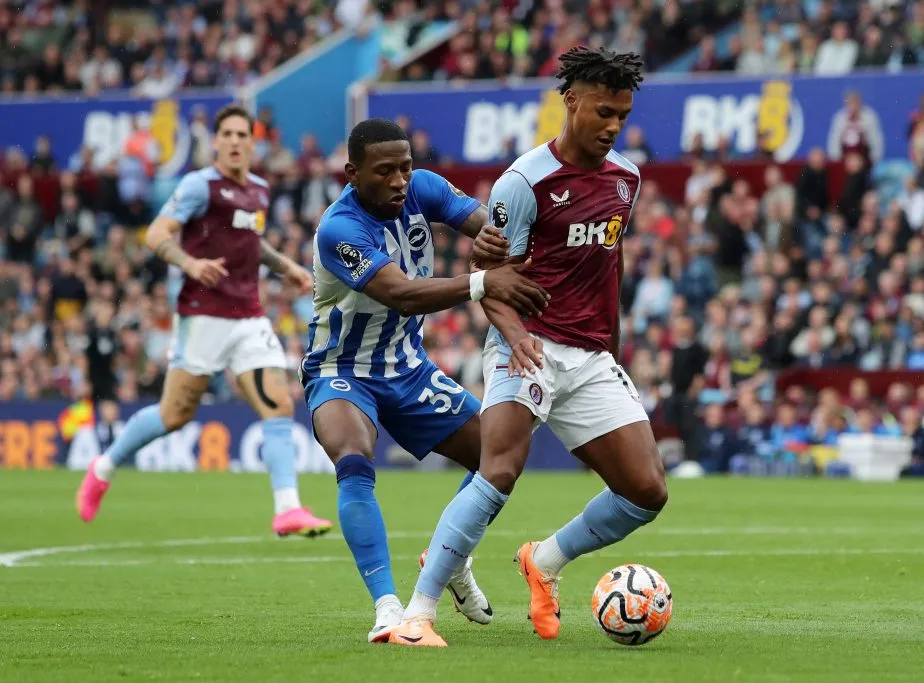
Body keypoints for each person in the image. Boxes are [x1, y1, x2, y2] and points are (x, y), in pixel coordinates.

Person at [389, 46, 667, 647]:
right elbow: (488, 279)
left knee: (646, 491)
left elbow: (606, 273)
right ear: (570, 102)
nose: (613, 125)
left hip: (590, 356)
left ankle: (543, 560)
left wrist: (610, 351)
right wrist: (515, 338)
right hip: (528, 343)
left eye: (621, 114)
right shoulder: (524, 182)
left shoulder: (627, 179)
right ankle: (417, 614)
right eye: (602, 112)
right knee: (499, 470)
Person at [301, 118, 549, 643]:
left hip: (408, 369)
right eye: (384, 171)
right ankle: (389, 607)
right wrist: (483, 280)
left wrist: (500, 242)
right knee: (353, 459)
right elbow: (403, 293)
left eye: (405, 168)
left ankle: (449, 557)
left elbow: (493, 234)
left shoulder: (425, 189)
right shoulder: (339, 229)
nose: (399, 181)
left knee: (499, 453)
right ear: (353, 173)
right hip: (342, 370)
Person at [75, 104, 333, 539]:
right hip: (203, 316)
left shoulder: (258, 190)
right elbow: (157, 235)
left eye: (242, 135)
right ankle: (103, 467)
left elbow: (249, 242)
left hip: (248, 315)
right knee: (173, 415)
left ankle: (287, 508)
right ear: (216, 142)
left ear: (253, 143)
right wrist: (190, 264)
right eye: (227, 134)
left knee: (278, 402)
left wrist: (283, 264)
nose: (235, 141)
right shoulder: (199, 186)